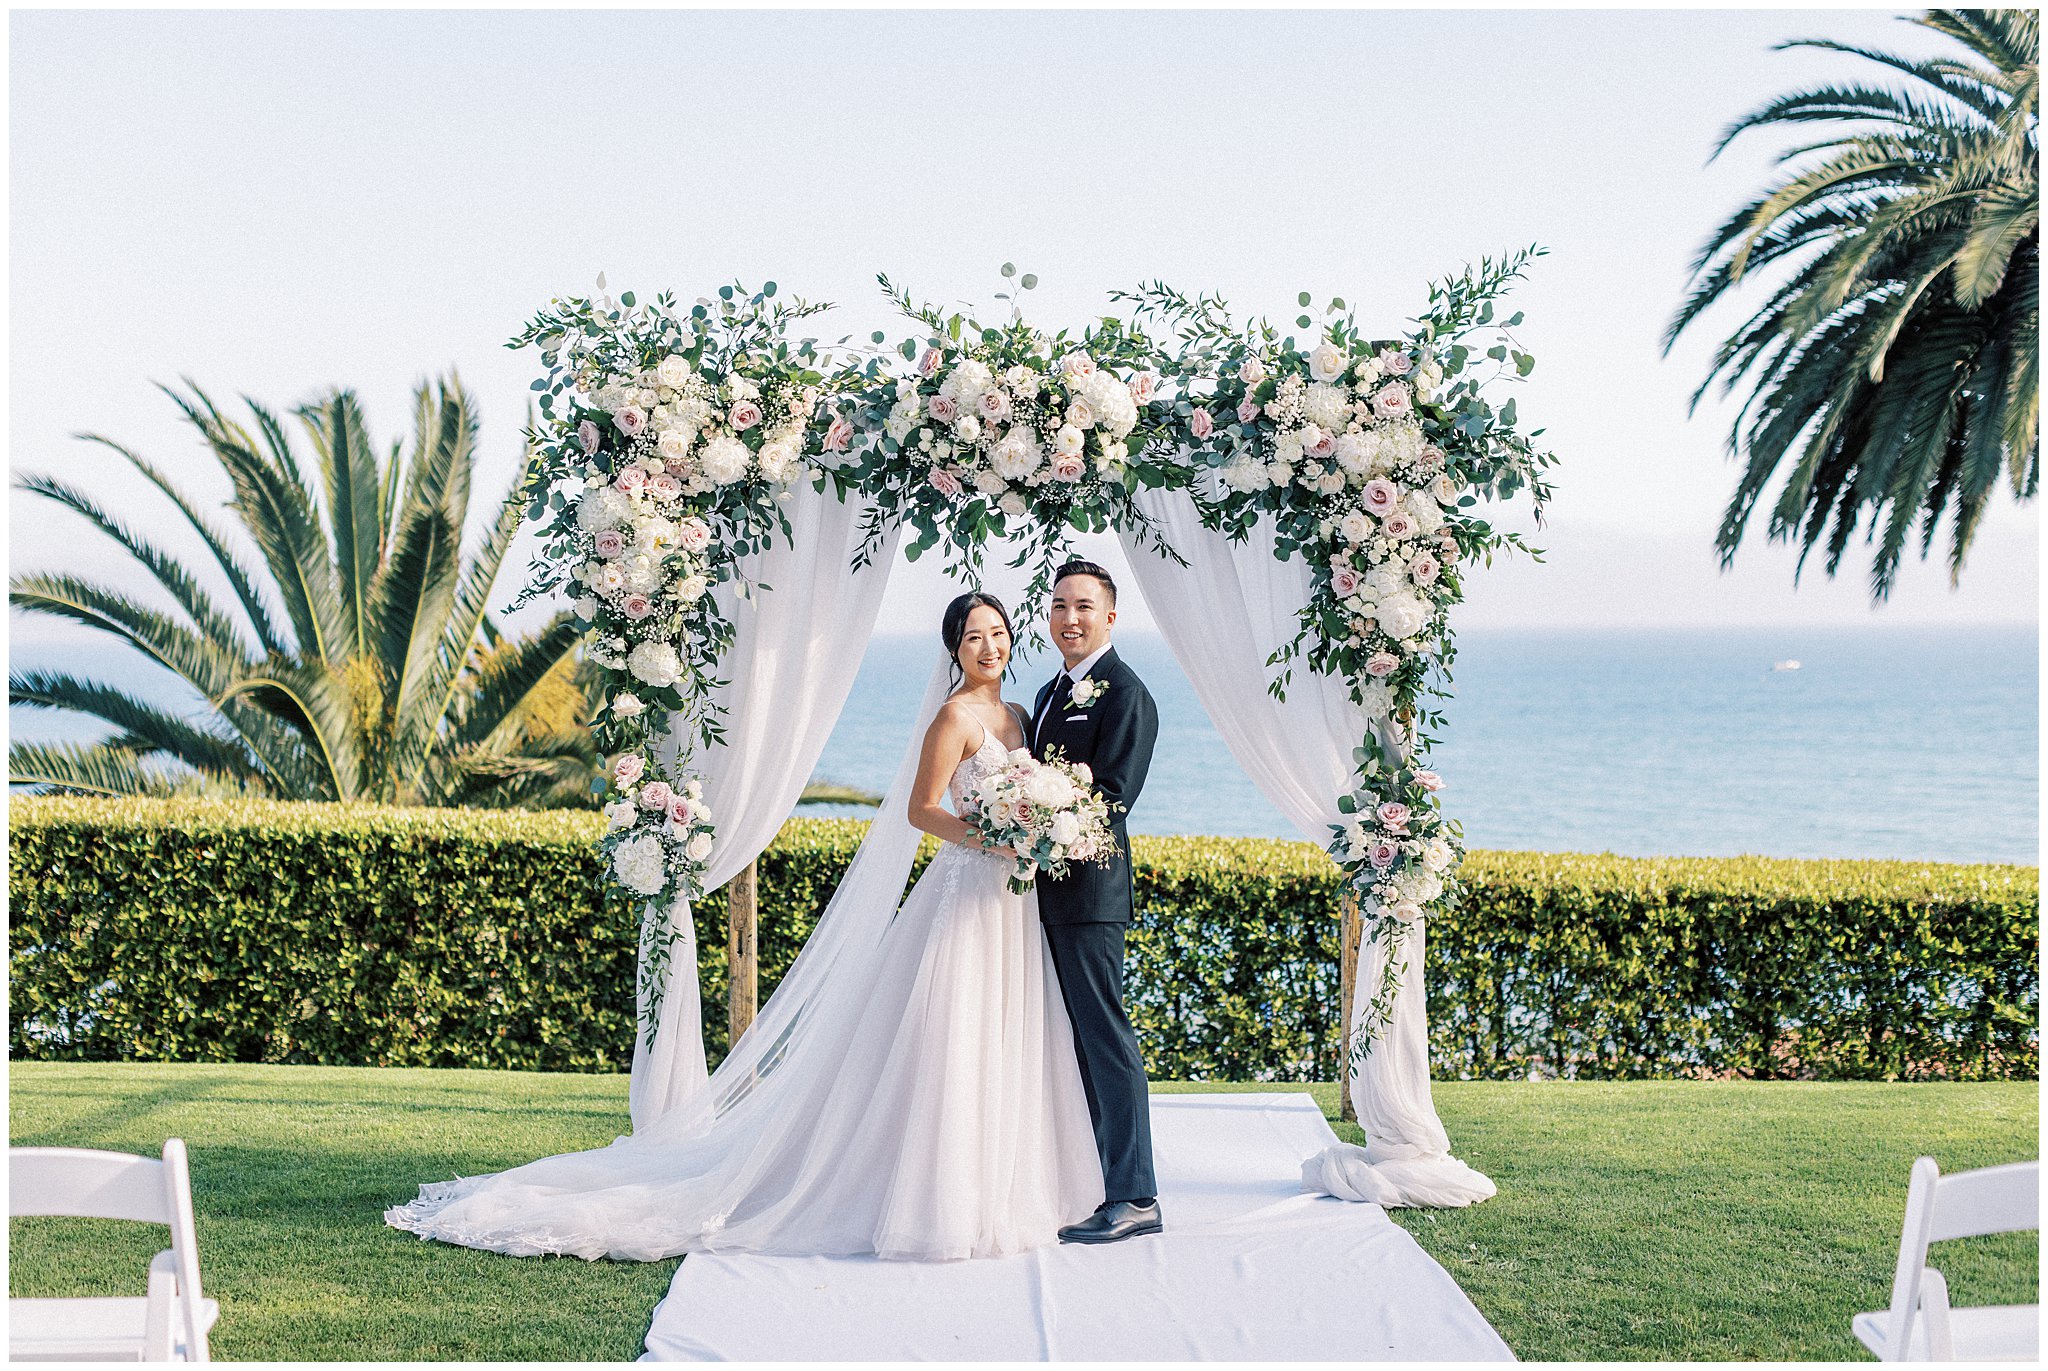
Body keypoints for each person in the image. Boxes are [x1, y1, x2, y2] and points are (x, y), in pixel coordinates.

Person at [384, 592, 1100, 1262]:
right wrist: (989, 836)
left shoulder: (1017, 714)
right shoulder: (953, 719)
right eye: (974, 635)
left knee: (1008, 1034)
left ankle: (1004, 1187)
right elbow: (921, 810)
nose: (990, 645)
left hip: (1012, 901)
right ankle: (939, 1203)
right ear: (953, 647)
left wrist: (1031, 826)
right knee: (956, 1038)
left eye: (999, 633)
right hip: (967, 886)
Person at [1028, 560, 1163, 1244]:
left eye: (1083, 605)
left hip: (1089, 896)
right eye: (1058, 605)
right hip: (1045, 893)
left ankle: (1136, 1194)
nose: (1069, 617)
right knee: (1075, 1044)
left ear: (1111, 616)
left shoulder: (1127, 695)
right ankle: (1092, 1181)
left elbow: (1110, 798)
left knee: (1107, 1042)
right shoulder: (1053, 688)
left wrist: (1037, 818)